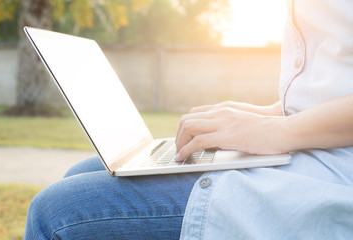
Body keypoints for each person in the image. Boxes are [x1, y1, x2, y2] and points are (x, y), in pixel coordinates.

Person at [24, 0, 353, 239]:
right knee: (80, 173)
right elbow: (332, 82)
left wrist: (277, 130)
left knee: (56, 212)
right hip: (309, 141)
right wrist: (263, 113)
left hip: (332, 171)